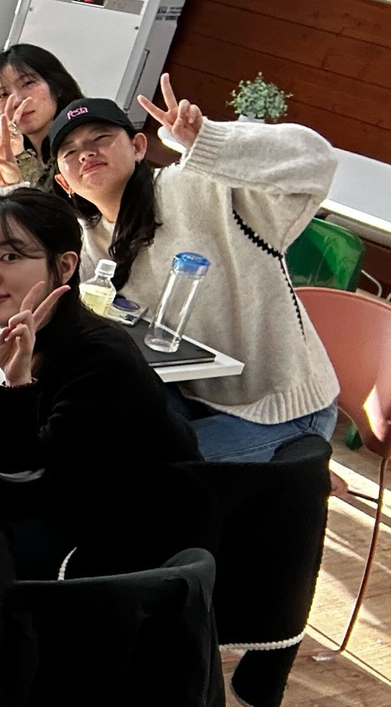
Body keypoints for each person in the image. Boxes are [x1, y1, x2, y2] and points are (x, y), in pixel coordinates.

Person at [51, 80, 340, 462]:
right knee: (79, 433)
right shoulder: (92, 239)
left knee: (132, 470)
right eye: (70, 151)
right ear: (64, 181)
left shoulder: (200, 185)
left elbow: (317, 161)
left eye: (100, 138)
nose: (86, 153)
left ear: (138, 147)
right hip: (184, 396)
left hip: (279, 411)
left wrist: (209, 140)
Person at [0, 188, 200, 576]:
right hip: (80, 506)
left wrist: (18, 384)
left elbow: (28, 489)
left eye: (11, 256)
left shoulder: (101, 358)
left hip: (132, 549)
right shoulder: (45, 338)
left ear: (65, 265)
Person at [0, 43, 85, 197]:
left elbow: (47, 210)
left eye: (28, 83)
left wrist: (20, 161)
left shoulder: (82, 147)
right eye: (3, 95)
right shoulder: (6, 155)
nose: (17, 100)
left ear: (57, 87)